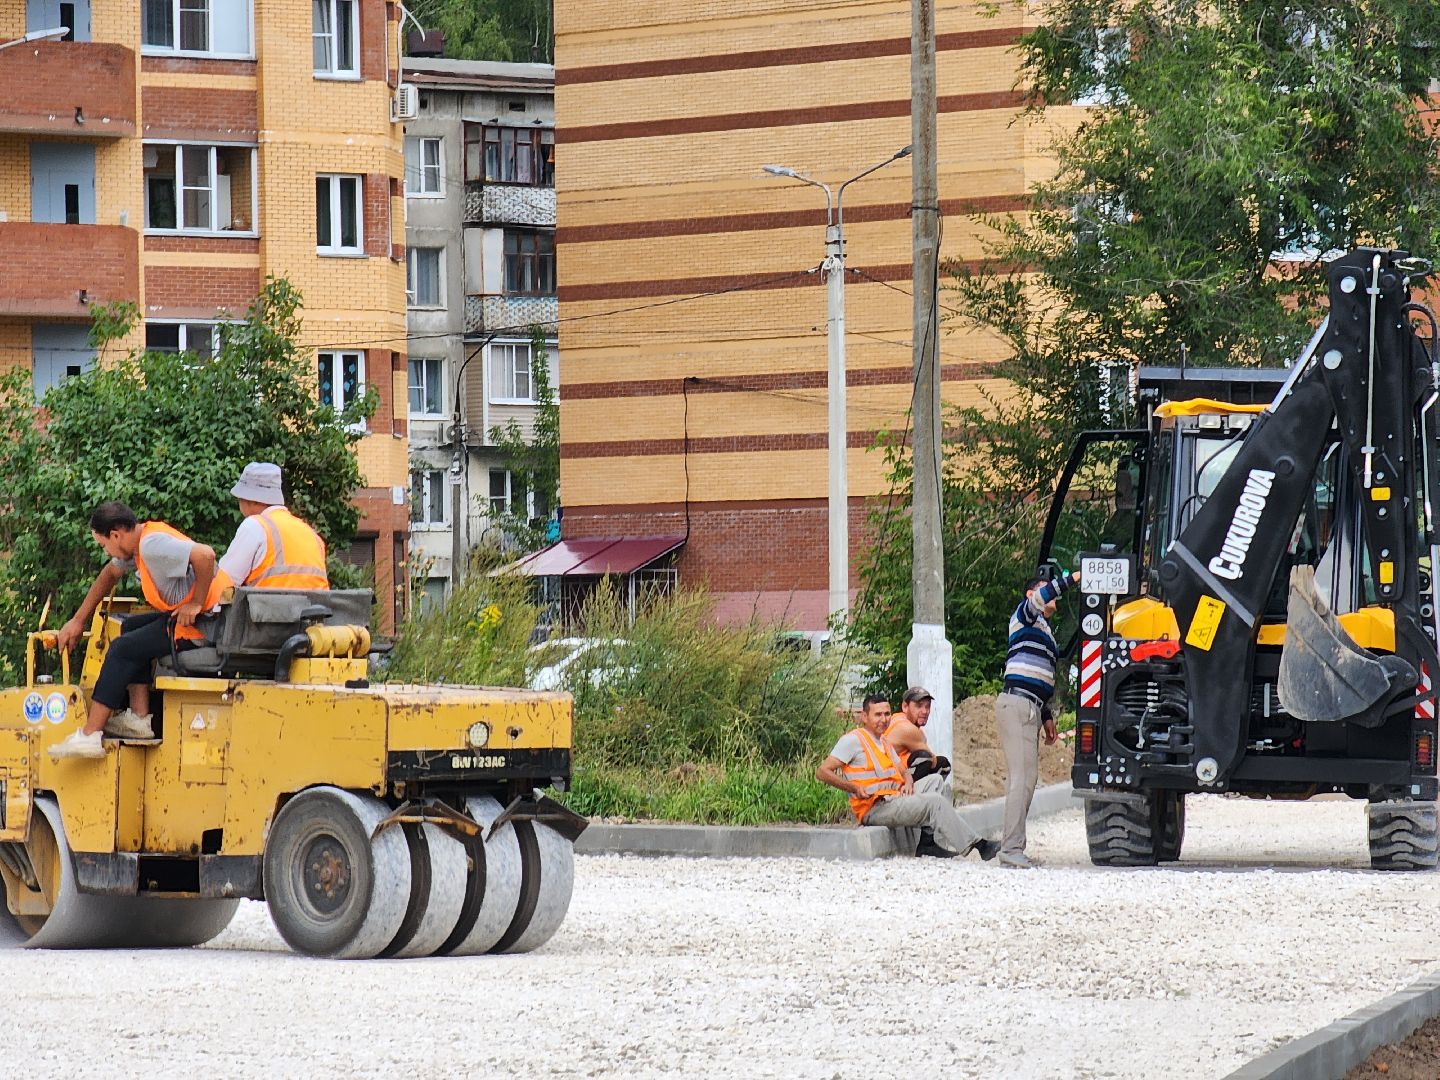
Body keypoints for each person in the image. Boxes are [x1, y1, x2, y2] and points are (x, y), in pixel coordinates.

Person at [50, 502, 221, 760]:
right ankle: (139, 719)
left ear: (116, 534)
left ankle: (90, 734)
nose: (106, 551)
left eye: (103, 545)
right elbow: (110, 573)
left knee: (121, 649)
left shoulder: (151, 546)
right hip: (194, 621)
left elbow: (206, 555)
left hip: (204, 626)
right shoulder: (140, 547)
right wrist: (78, 619)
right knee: (129, 627)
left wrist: (196, 602)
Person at [817, 694, 998, 861]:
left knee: (935, 781)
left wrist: (909, 782)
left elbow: (903, 771)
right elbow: (822, 772)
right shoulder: (853, 740)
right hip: (875, 807)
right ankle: (980, 846)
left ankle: (927, 843)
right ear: (865, 717)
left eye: (887, 714)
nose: (884, 719)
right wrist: (854, 788)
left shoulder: (884, 741)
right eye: (878, 715)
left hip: (894, 798)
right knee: (934, 802)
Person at [996, 569, 1079, 868]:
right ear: (1032, 594)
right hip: (1017, 704)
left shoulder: (1044, 630)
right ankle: (1010, 849)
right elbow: (1042, 596)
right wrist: (1073, 578)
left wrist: (1046, 716)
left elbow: (1041, 676)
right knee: (1021, 778)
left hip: (1030, 706)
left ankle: (1014, 847)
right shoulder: (1025, 615)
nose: (1051, 594)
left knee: (1028, 778)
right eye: (1046, 589)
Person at [216, 462, 329, 592]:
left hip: (268, 611)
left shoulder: (255, 526)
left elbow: (225, 582)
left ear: (251, 500)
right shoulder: (311, 534)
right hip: (314, 611)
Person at [885, 686, 954, 855]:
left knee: (922, 760)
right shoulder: (908, 729)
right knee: (937, 763)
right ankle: (926, 835)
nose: (924, 711)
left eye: (927, 706)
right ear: (905, 707)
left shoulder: (897, 720)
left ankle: (926, 838)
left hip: (891, 780)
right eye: (919, 706)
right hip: (890, 788)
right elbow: (933, 760)